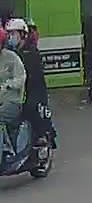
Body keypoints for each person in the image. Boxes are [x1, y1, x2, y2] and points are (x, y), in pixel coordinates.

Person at [6, 18, 55, 150]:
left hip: (33, 90)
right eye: (8, 34)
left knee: (31, 108)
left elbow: (32, 76)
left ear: (22, 35)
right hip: (15, 90)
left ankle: (41, 136)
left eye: (13, 34)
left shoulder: (31, 52)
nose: (10, 37)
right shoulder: (9, 53)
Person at [0, 26, 26, 160]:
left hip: (12, 102)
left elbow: (21, 78)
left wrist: (8, 85)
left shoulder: (12, 58)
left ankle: (5, 151)